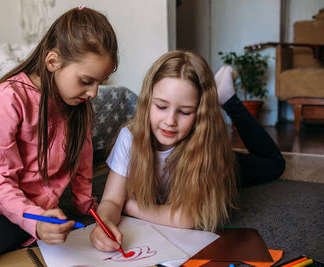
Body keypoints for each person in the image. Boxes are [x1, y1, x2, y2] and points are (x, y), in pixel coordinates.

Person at [0, 7, 118, 266]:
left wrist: (90, 212)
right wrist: (35, 220)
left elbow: (82, 166)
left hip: (30, 204)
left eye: (100, 83)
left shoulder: (79, 109)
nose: (93, 93)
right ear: (52, 62)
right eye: (86, 81)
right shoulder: (8, 98)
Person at [90, 50, 285, 253]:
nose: (170, 121)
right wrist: (103, 225)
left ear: (200, 114)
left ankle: (228, 98)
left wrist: (129, 206)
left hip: (224, 164)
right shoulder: (129, 137)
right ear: (148, 101)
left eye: (184, 112)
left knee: (275, 164)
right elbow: (111, 200)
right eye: (161, 106)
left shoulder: (208, 145)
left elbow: (187, 218)